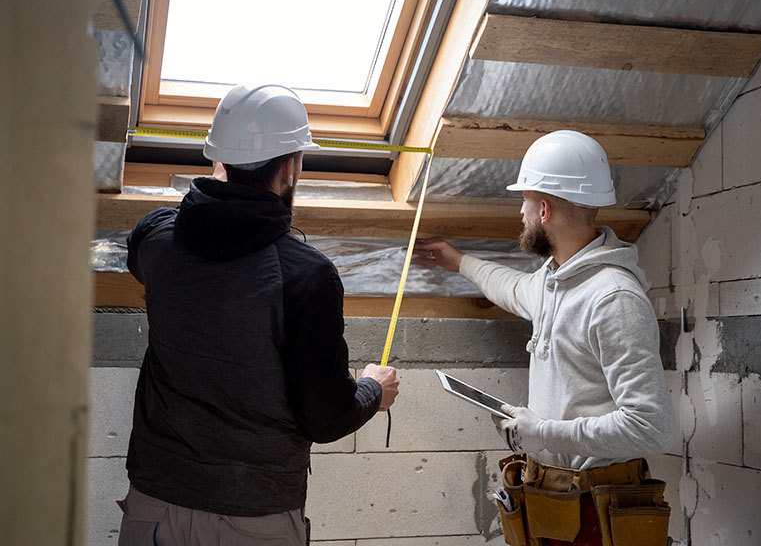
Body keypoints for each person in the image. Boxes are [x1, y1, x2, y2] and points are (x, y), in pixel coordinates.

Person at [119, 84, 399, 546]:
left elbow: (151, 248)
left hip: (153, 503)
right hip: (255, 518)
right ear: (289, 169)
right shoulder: (308, 276)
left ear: (218, 161)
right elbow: (326, 418)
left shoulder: (156, 240)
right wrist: (373, 390)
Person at [416, 130, 675, 546]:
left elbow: (652, 427)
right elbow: (513, 288)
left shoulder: (613, 298)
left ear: (544, 209)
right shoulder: (555, 280)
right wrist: (458, 261)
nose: (520, 212)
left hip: (598, 509)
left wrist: (545, 432)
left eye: (525, 201)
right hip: (558, 500)